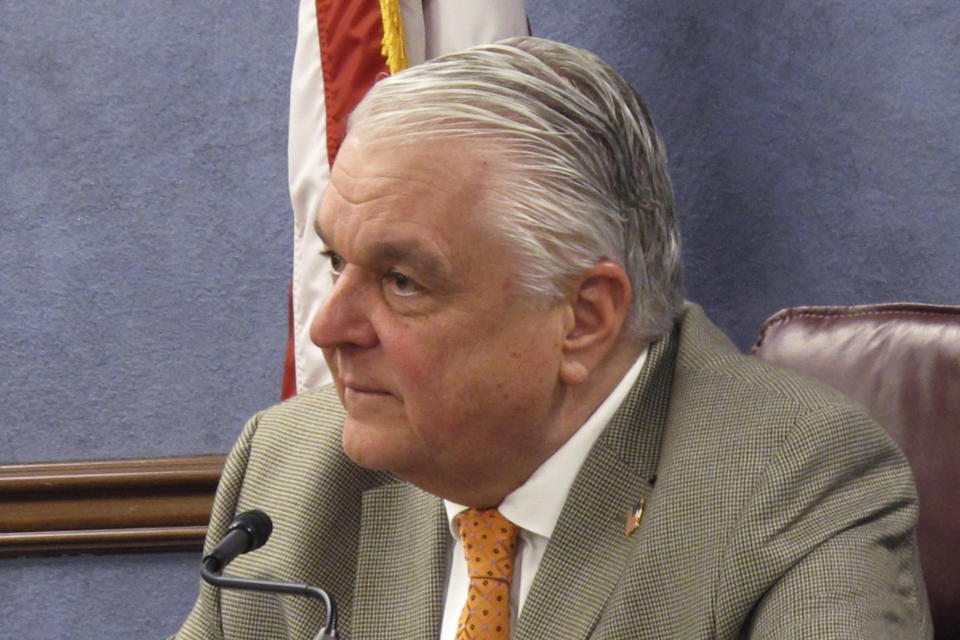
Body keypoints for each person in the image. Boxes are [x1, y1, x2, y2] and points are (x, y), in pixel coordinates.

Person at [173, 37, 931, 639]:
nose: (327, 326)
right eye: (337, 262)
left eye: (402, 281)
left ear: (585, 317)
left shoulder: (797, 487)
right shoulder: (289, 476)